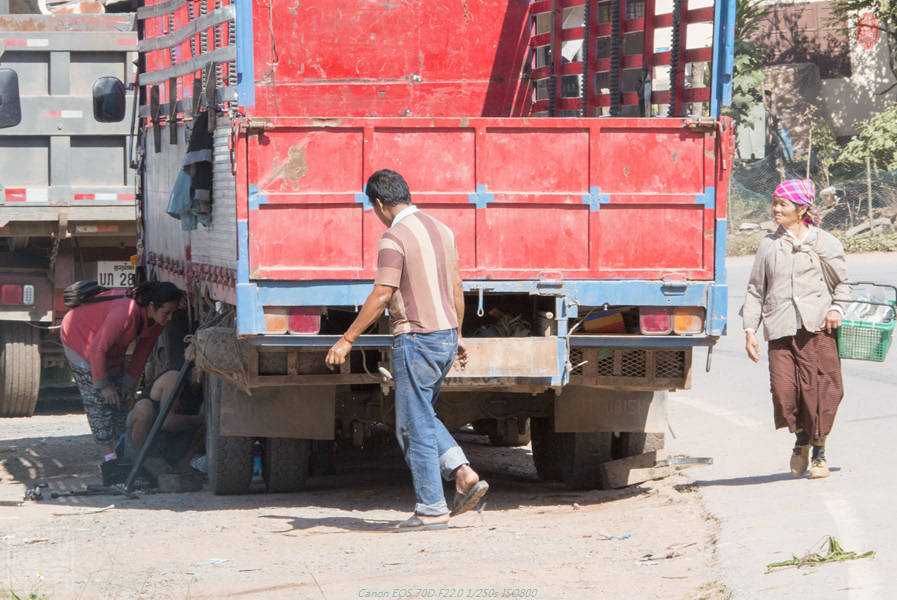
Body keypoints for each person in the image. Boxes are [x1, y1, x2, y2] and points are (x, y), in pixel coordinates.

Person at [325, 169, 488, 531]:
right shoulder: (442, 230)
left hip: (416, 338)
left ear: (380, 203)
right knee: (420, 417)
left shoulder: (393, 236)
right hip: (445, 335)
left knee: (413, 423)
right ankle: (461, 471)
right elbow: (457, 286)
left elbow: (383, 292)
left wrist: (347, 338)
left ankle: (432, 506)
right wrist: (458, 333)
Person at [742, 179, 850, 479]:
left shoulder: (824, 242)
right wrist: (750, 329)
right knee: (784, 392)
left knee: (822, 392)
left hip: (817, 329)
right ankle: (801, 436)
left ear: (801, 209)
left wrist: (835, 308)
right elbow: (755, 290)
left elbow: (843, 284)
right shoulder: (769, 245)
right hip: (780, 329)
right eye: (775, 203)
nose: (776, 209)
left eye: (783, 204)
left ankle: (818, 453)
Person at [61, 281, 184, 464]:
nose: (170, 318)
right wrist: (102, 385)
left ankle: (122, 449)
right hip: (79, 337)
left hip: (106, 345)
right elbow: (97, 348)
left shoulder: (156, 320)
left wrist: (129, 383)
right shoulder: (124, 314)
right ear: (152, 306)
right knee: (97, 402)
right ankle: (110, 459)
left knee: (121, 399)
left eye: (172, 313)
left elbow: (143, 350)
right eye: (166, 313)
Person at [118, 368, 205, 474]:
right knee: (144, 407)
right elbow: (167, 422)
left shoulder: (204, 390)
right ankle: (145, 462)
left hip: (174, 443)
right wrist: (199, 419)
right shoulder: (174, 377)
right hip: (146, 442)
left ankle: (181, 466)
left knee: (206, 425)